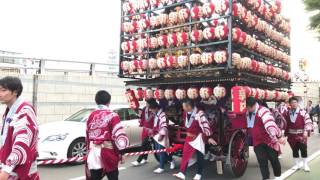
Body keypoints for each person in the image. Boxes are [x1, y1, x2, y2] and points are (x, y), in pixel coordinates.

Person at [0, 76, 39, 180]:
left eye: (3, 90)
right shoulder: (8, 111)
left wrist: (6, 170)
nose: (0, 93)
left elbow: (21, 143)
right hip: (10, 167)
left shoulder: (24, 111)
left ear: (15, 92)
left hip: (21, 170)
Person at [85, 90, 129, 180]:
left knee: (95, 177)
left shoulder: (90, 116)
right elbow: (119, 134)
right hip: (108, 151)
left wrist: (87, 152)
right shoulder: (113, 115)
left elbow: (87, 135)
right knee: (113, 176)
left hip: (93, 152)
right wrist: (122, 152)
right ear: (109, 102)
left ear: (96, 101)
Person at [173, 99, 216, 180]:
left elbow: (205, 125)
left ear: (189, 106)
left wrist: (208, 137)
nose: (183, 108)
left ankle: (199, 173)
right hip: (189, 137)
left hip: (198, 137)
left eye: (184, 106)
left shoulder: (200, 113)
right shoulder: (185, 113)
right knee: (185, 154)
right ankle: (182, 173)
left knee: (200, 156)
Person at [245, 97, 285, 180]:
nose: (247, 109)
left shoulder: (264, 111)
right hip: (257, 141)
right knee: (262, 161)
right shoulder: (248, 112)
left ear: (253, 106)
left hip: (269, 140)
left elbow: (270, 124)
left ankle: (278, 176)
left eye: (248, 108)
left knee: (273, 159)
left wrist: (278, 136)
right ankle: (266, 178)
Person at [284, 97, 313, 172]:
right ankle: (297, 165)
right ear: (290, 104)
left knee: (303, 150)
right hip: (291, 135)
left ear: (297, 103)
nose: (294, 104)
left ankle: (305, 165)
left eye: (295, 102)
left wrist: (306, 130)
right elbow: (284, 123)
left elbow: (308, 121)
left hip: (301, 135)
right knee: (294, 150)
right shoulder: (287, 113)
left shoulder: (303, 112)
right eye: (292, 102)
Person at [148, 98, 175, 174]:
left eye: (152, 109)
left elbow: (164, 126)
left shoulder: (162, 114)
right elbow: (155, 125)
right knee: (159, 151)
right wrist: (152, 132)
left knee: (161, 151)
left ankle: (161, 167)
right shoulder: (156, 114)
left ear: (156, 108)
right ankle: (171, 160)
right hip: (157, 134)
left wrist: (161, 135)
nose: (151, 111)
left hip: (162, 135)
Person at [131, 101, 155, 166]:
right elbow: (142, 117)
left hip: (151, 130)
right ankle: (145, 158)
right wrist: (141, 121)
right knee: (145, 144)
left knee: (144, 144)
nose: (146, 104)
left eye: (148, 103)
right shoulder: (144, 108)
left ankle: (138, 160)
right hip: (145, 129)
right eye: (146, 103)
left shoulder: (154, 110)